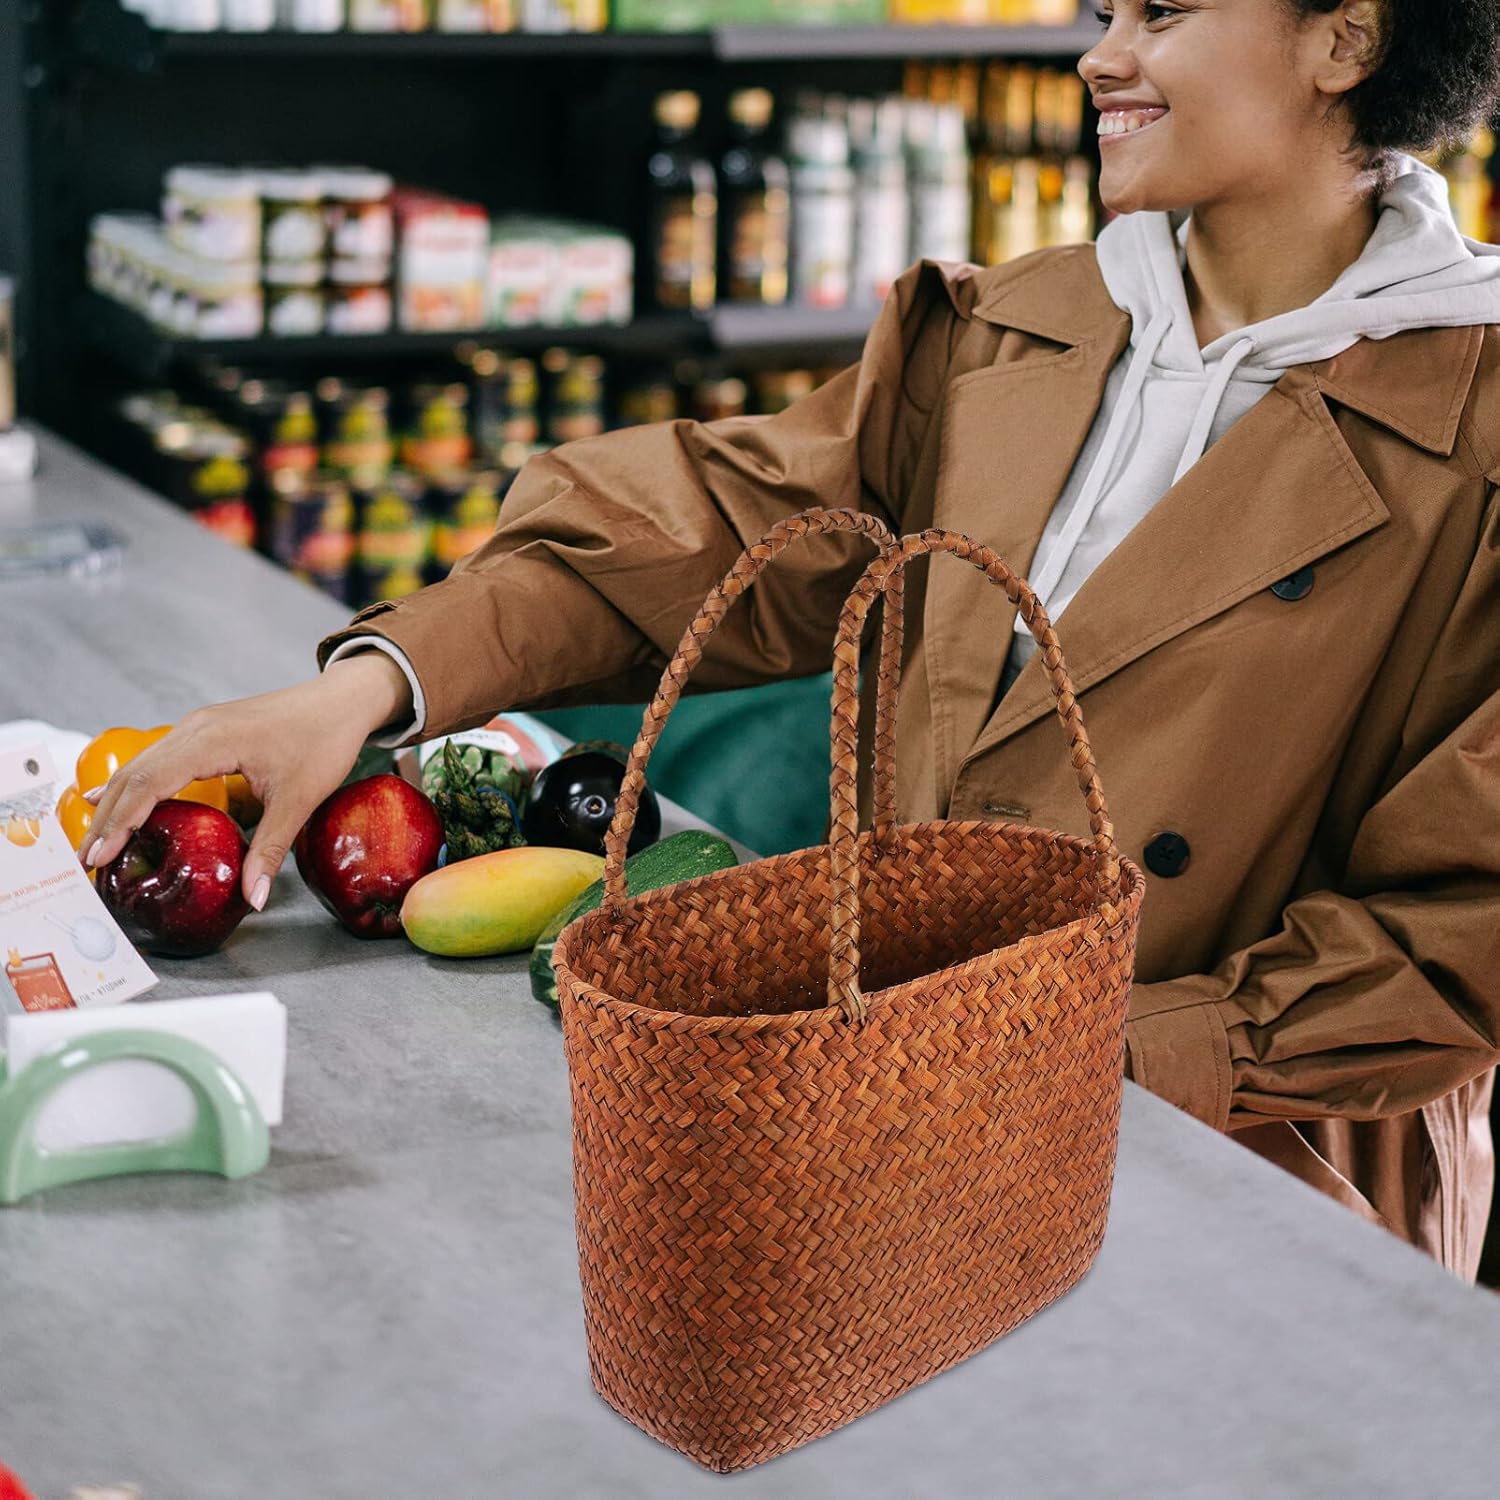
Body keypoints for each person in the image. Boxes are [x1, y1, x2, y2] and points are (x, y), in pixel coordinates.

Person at [82, 0, 1500, 1280]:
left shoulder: (1475, 430)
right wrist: (373, 685)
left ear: (1347, 42)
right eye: (1102, 8)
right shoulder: (1017, 332)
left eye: (1165, 10)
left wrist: (1081, 1056)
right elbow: (704, 528)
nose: (1100, 55)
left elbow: (1462, 922)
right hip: (895, 1147)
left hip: (1243, 1193)